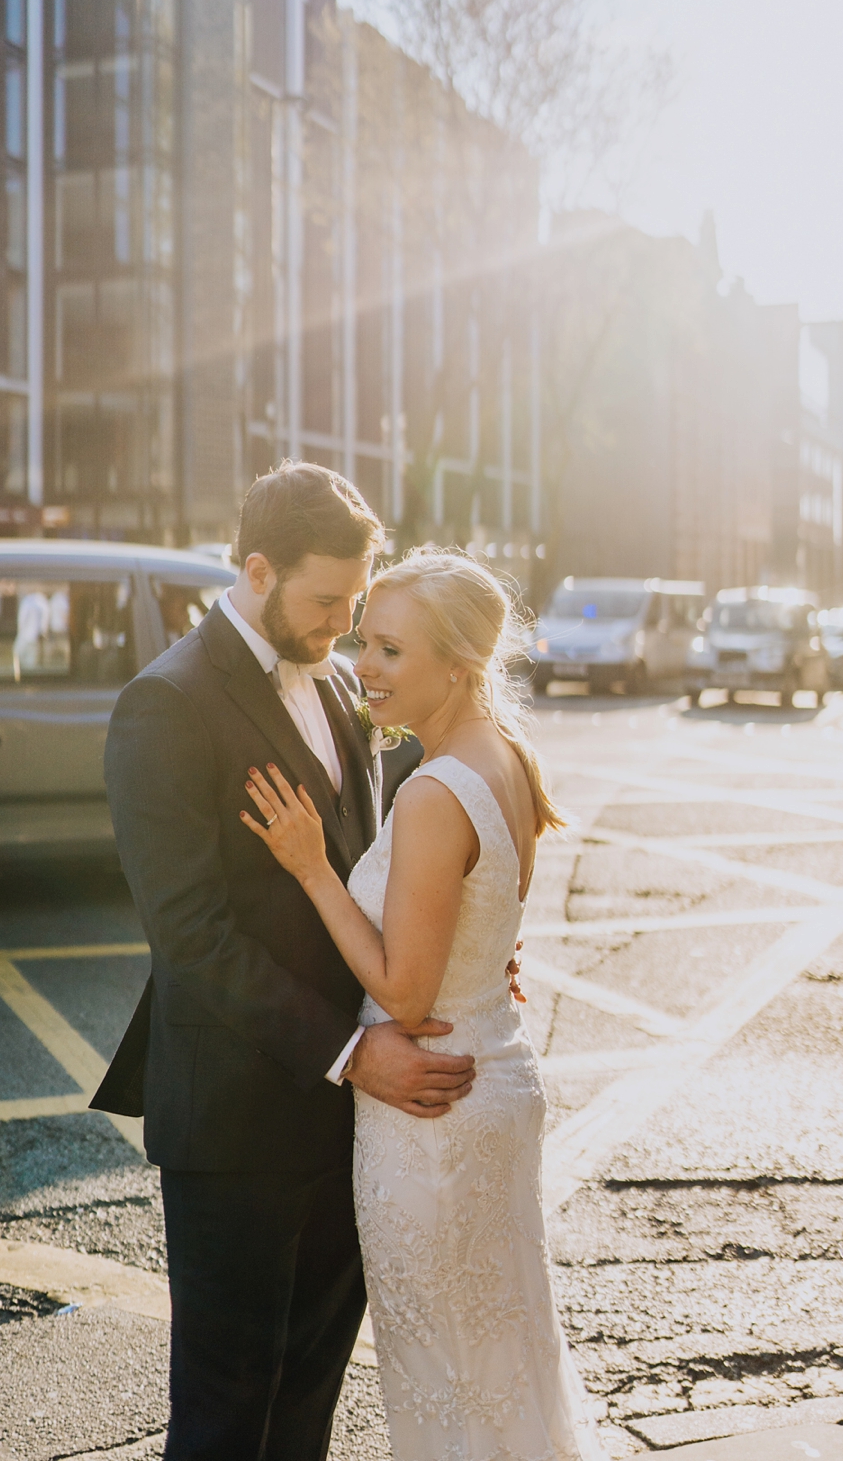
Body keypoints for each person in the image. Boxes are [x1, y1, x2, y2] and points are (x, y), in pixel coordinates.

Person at [92, 464, 476, 1460]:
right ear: (256, 570)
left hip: (346, 1126)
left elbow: (372, 873)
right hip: (236, 1129)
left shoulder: (344, 683)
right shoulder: (165, 704)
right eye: (326, 600)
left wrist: (459, 958)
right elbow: (191, 938)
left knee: (307, 1403)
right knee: (226, 1417)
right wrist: (352, 1051)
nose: (346, 625)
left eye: (357, 601)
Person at [244, 548, 606, 1460]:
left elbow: (404, 992)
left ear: (460, 665)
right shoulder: (505, 757)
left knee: (445, 1375)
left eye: (392, 652)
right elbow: (482, 929)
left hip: (431, 1116)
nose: (365, 666)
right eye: (366, 642)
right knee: (501, 1363)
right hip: (488, 1075)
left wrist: (314, 869)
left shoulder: (437, 793)